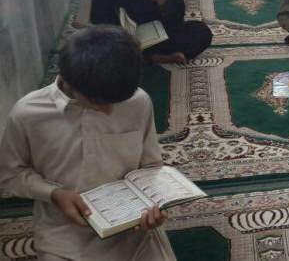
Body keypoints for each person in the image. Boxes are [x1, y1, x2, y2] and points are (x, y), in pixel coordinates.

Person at [0, 26, 176, 260]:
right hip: (64, 233)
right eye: (98, 102)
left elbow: (151, 166)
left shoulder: (138, 101)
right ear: (68, 81)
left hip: (132, 226)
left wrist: (154, 206)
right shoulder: (28, 114)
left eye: (116, 102)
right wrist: (55, 194)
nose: (109, 110)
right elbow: (10, 174)